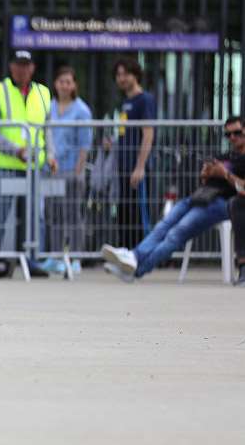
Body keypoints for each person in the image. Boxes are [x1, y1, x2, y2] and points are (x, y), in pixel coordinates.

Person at [102, 116, 245, 282]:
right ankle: (133, 257)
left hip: (223, 203)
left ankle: (135, 269)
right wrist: (207, 174)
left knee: (176, 234)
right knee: (162, 226)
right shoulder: (226, 155)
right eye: (228, 135)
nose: (232, 138)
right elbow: (208, 180)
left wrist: (225, 174)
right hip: (200, 197)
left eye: (237, 133)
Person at [0, 50, 56, 278]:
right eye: (18, 65)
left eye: (26, 65)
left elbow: (47, 128)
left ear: (32, 68)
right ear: (11, 67)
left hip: (36, 166)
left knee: (37, 217)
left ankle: (35, 261)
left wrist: (51, 154)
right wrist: (15, 150)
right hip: (6, 164)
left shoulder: (43, 93)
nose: (22, 69)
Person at [41, 66, 92, 274]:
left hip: (72, 170)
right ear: (55, 84)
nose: (64, 85)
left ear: (74, 85)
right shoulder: (49, 107)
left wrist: (78, 172)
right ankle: (55, 255)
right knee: (54, 215)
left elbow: (84, 144)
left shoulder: (82, 110)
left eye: (68, 82)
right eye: (61, 81)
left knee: (73, 216)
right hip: (52, 170)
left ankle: (76, 257)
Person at [113, 57, 156, 249]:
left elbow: (148, 134)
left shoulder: (145, 99)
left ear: (136, 75)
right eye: (118, 75)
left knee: (139, 213)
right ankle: (125, 252)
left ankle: (142, 253)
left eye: (126, 74)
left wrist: (140, 167)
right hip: (123, 166)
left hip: (137, 168)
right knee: (124, 211)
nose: (121, 78)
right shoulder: (125, 102)